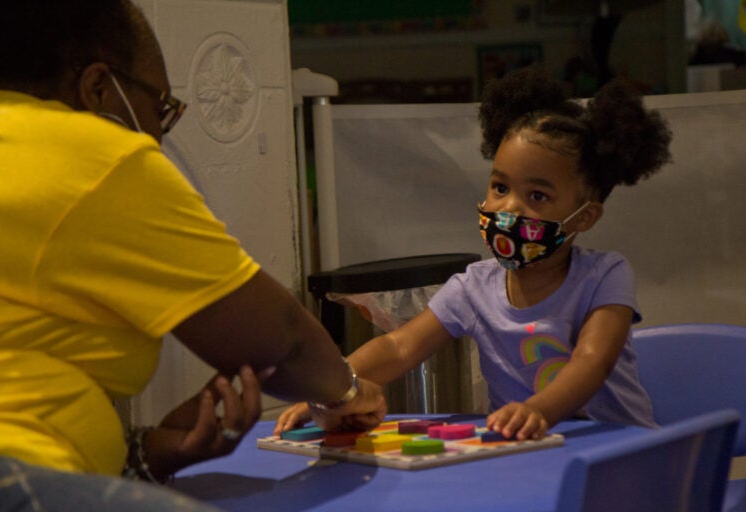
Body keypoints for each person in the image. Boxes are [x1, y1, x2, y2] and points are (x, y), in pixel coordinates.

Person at [0, 0, 385, 509]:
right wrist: (345, 394)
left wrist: (154, 450)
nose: (159, 134)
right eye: (161, 108)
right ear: (97, 88)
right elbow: (282, 342)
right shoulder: (94, 157)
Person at [276, 65, 673, 441]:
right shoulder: (473, 288)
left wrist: (538, 410)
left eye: (537, 195)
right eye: (500, 187)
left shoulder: (605, 275)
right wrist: (332, 390)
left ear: (584, 217)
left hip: (622, 451)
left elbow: (592, 362)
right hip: (526, 451)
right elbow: (398, 347)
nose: (509, 208)